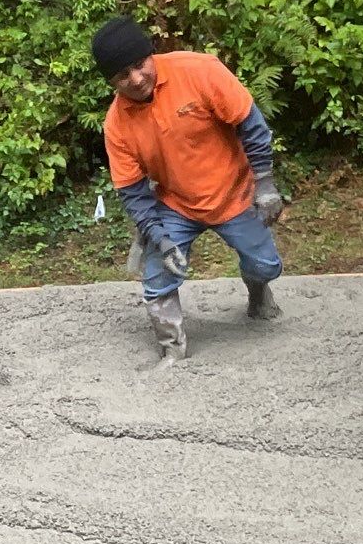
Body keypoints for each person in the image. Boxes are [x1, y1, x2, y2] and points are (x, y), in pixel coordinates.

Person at [93, 18, 285, 365]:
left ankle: (258, 293)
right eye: (122, 75)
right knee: (157, 278)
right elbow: (133, 191)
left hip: (234, 192)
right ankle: (172, 348)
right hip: (175, 203)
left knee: (266, 265)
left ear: (151, 53)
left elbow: (251, 124)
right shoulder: (117, 125)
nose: (136, 79)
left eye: (139, 64)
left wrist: (265, 183)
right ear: (111, 82)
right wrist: (157, 236)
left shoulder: (199, 71)